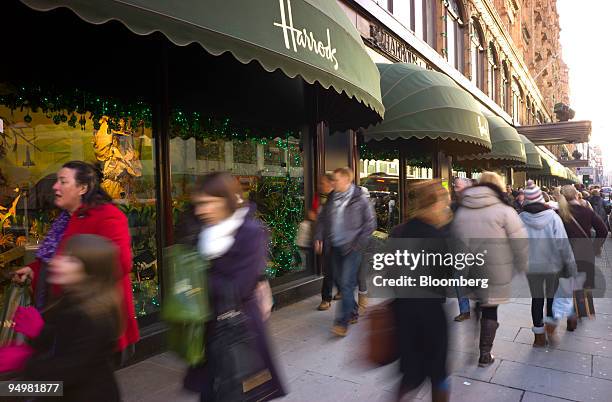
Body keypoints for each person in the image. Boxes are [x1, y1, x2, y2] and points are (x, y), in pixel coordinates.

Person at [13, 160, 139, 356]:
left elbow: (120, 264)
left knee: (76, 380)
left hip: (92, 323)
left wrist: (73, 272)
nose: (55, 186)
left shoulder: (107, 216)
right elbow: (54, 258)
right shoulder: (66, 218)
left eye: (63, 181)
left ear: (82, 188)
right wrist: (33, 269)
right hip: (64, 317)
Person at [178, 172, 285, 401]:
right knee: (212, 389)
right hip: (209, 328)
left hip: (238, 327)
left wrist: (197, 280)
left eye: (208, 203)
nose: (201, 210)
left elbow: (240, 286)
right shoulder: (200, 229)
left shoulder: (251, 233)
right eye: (198, 204)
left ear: (226, 199)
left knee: (236, 388)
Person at [0, 234, 123, 401]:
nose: (56, 262)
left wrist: (23, 361)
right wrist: (40, 332)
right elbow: (64, 341)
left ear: (90, 272)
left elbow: (65, 374)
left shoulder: (95, 318)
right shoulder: (72, 300)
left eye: (70, 260)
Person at [451, 172, 528, 367]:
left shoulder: (463, 209)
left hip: (470, 268)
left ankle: (472, 344)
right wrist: (522, 264)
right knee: (490, 308)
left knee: (477, 303)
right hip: (495, 269)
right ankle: (485, 353)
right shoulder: (504, 210)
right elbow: (520, 241)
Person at [391, 180, 452, 402]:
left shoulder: (399, 232)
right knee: (439, 373)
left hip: (403, 311)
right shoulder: (437, 237)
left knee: (410, 373)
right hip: (430, 313)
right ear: (436, 204)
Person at [314, 167, 377, 337]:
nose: (333, 182)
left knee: (347, 283)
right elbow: (322, 219)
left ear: (347, 180)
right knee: (339, 282)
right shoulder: (332, 197)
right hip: (334, 246)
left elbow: (370, 224)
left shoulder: (360, 199)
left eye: (337, 180)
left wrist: (358, 244)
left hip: (352, 248)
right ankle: (353, 310)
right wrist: (319, 237)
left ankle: (341, 323)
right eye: (333, 179)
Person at [519, 181, 577, 347]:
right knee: (551, 297)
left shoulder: (520, 218)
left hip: (532, 267)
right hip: (552, 266)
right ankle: (551, 328)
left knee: (536, 299)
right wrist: (570, 265)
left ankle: (538, 336)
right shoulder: (553, 217)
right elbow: (563, 244)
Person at [558, 185, 607, 330]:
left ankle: (571, 315)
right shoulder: (587, 211)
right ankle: (581, 312)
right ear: (577, 195)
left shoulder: (559, 212)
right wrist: (595, 246)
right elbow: (603, 230)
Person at [316, 173, 340, 311]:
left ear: (331, 184)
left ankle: (330, 297)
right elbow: (321, 221)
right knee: (330, 270)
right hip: (330, 242)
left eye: (323, 183)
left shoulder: (339, 198)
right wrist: (318, 238)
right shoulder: (327, 199)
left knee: (334, 270)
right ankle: (326, 298)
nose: (320, 186)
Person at [451, 177, 472, 322]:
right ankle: (464, 310)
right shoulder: (454, 205)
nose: (456, 189)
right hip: (458, 249)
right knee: (459, 280)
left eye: (459, 186)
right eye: (455, 186)